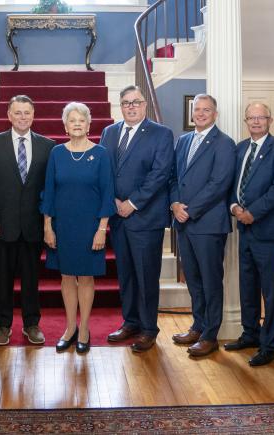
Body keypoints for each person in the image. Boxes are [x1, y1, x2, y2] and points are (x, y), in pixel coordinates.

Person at [0, 95, 55, 346]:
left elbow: (50, 188)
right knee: (3, 279)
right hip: (2, 225)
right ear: (9, 115)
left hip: (33, 227)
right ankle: (3, 325)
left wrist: (48, 223)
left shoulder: (48, 146)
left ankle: (32, 324)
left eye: (27, 113)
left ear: (34, 115)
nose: (23, 117)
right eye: (18, 113)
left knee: (32, 279)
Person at [102, 85, 174, 353]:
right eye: (126, 102)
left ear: (145, 105)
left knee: (146, 275)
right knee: (127, 275)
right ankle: (130, 322)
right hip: (118, 217)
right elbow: (103, 170)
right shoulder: (109, 132)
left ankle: (148, 328)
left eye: (136, 102)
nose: (131, 106)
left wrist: (132, 203)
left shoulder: (161, 134)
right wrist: (113, 201)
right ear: (120, 106)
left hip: (145, 218)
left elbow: (160, 174)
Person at [40, 102, 116, 354]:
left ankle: (84, 328)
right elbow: (48, 191)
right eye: (71, 120)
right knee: (66, 277)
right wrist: (48, 226)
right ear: (65, 125)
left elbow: (108, 194)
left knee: (85, 277)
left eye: (81, 120)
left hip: (90, 226)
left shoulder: (101, 154)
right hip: (63, 225)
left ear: (88, 124)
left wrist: (102, 228)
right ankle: (69, 328)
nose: (76, 124)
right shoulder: (57, 153)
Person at [224, 103, 274, 366]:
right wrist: (234, 207)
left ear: (270, 120)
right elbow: (231, 185)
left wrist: (253, 212)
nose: (256, 122)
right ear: (246, 121)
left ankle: (269, 344)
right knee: (247, 285)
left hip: (269, 230)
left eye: (260, 117)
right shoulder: (240, 148)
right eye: (251, 118)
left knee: (270, 290)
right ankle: (250, 334)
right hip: (244, 228)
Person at [168, 94, 235, 357]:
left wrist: (190, 210)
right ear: (192, 113)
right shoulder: (183, 141)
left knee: (210, 280)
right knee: (193, 279)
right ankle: (197, 325)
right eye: (197, 110)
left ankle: (210, 335)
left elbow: (219, 184)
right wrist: (174, 204)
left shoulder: (224, 143)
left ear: (215, 114)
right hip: (183, 222)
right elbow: (172, 177)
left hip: (208, 224)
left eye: (207, 110)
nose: (201, 114)